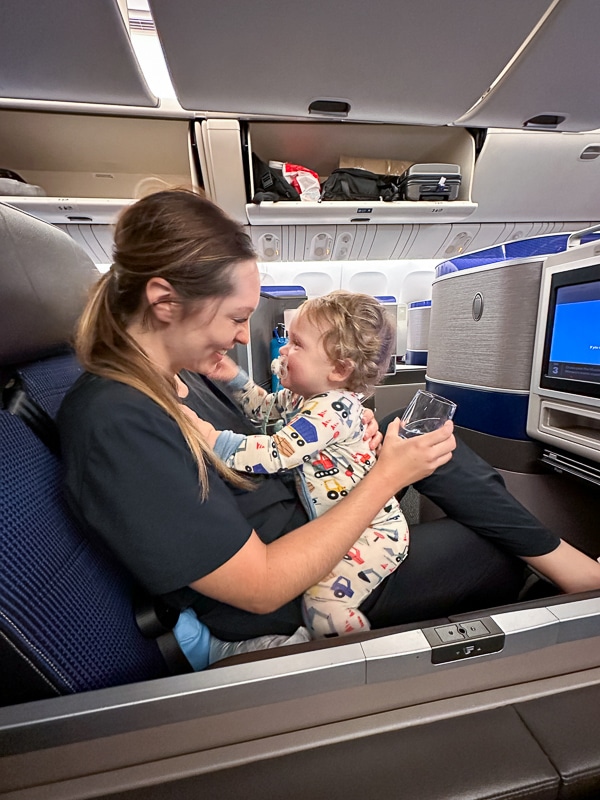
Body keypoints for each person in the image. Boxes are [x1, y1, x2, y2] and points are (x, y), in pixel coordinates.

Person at [57, 189, 600, 669]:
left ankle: (572, 571)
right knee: (495, 548)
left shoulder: (176, 379)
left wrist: (355, 439)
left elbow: (267, 427)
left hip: (312, 516)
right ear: (164, 302)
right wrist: (384, 478)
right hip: (301, 585)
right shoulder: (117, 421)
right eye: (234, 317)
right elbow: (260, 586)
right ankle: (570, 578)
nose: (245, 339)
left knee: (411, 428)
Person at [194, 290, 409, 638]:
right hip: (349, 523)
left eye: (296, 343)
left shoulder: (331, 411)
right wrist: (234, 378)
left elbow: (278, 452)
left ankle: (355, 653)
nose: (284, 350)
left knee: (322, 602)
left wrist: (214, 440)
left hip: (374, 533)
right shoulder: (303, 396)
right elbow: (264, 408)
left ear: (339, 369)